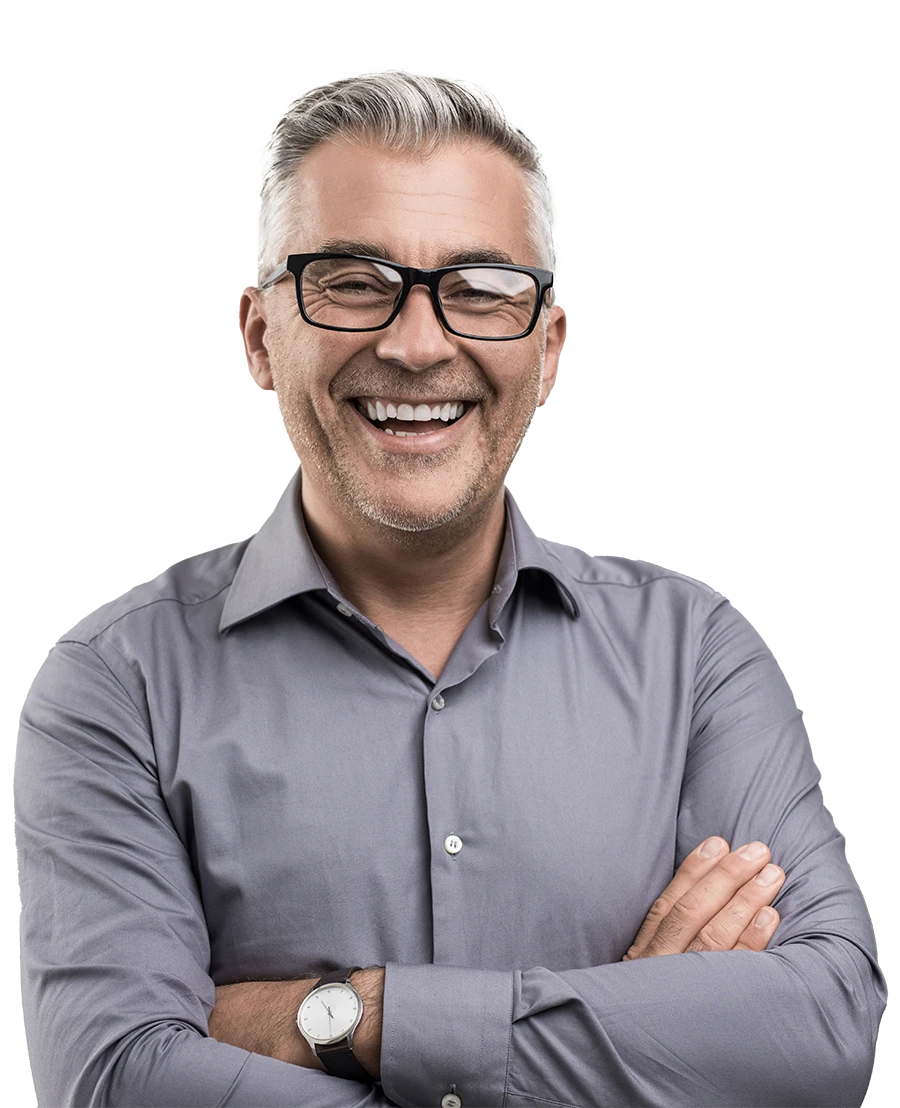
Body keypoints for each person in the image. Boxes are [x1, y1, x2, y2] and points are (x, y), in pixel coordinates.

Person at [15, 71, 886, 1108]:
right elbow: (118, 1077)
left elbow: (825, 1030)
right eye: (348, 279)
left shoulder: (697, 658)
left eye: (480, 288)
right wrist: (636, 1039)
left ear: (548, 347)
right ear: (257, 335)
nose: (419, 343)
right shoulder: (114, 686)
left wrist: (352, 1015)